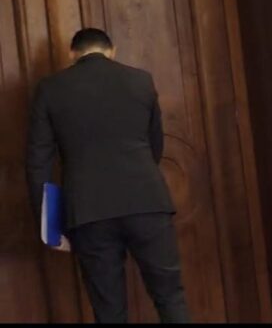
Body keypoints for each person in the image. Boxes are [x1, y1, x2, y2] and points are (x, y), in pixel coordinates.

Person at [26, 28, 190, 323]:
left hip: (88, 212)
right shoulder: (141, 80)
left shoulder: (50, 89)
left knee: (109, 311)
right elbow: (155, 145)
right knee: (170, 297)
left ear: (73, 54)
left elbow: (38, 163)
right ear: (111, 51)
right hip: (147, 202)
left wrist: (49, 225)